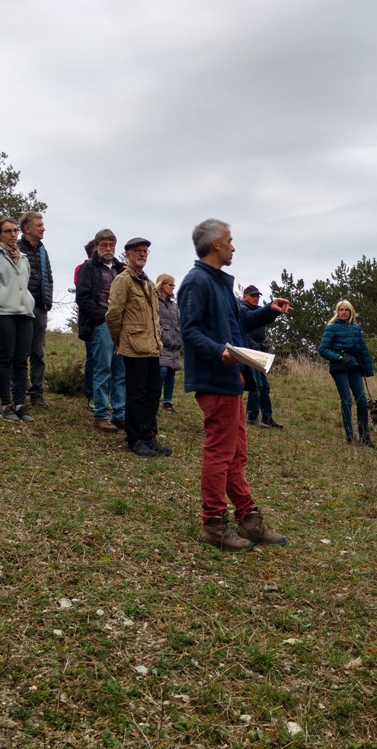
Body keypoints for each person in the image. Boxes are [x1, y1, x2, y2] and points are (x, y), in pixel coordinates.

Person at [178, 218, 291, 552]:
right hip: (215, 378)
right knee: (220, 452)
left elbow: (238, 321)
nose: (233, 246)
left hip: (232, 380)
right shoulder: (196, 282)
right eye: (229, 240)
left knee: (236, 454)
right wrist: (219, 352)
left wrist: (269, 311)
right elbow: (190, 331)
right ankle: (213, 524)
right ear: (215, 244)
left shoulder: (219, 283)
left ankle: (248, 519)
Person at [105, 237, 170, 457]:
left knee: (153, 393)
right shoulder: (123, 281)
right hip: (134, 346)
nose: (142, 254)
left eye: (145, 251)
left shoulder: (148, 283)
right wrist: (119, 340)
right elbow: (113, 314)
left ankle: (149, 437)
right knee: (137, 393)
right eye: (137, 251)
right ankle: (134, 439)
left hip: (152, 346)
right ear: (128, 255)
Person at [0, 218, 36, 423]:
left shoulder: (24, 258)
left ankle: (20, 403)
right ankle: (6, 404)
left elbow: (24, 284)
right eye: (8, 231)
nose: (13, 234)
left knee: (22, 359)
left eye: (15, 231)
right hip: (3, 313)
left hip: (24, 313)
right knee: (6, 358)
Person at [76, 229, 126, 433]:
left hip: (122, 325)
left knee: (121, 369)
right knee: (103, 368)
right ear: (96, 246)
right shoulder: (88, 268)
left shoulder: (121, 269)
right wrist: (103, 317)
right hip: (102, 324)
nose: (108, 248)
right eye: (103, 245)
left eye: (111, 245)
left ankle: (121, 414)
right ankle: (102, 415)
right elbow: (83, 298)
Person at [318, 299, 375, 445]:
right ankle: (350, 437)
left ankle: (365, 437)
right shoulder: (331, 328)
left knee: (362, 401)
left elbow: (363, 349)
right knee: (347, 401)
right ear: (337, 312)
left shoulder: (356, 328)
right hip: (339, 367)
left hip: (355, 367)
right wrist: (338, 357)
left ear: (351, 312)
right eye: (341, 310)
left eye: (346, 310)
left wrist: (368, 370)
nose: (343, 312)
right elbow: (322, 349)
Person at [17, 211, 52, 408]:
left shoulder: (42, 250)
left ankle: (37, 393)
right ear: (27, 228)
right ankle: (19, 393)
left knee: (38, 351)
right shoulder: (16, 248)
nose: (43, 228)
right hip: (21, 308)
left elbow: (48, 275)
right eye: (39, 225)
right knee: (20, 351)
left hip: (40, 307)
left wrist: (48, 299)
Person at [239, 285, 284, 429]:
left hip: (259, 351)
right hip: (250, 351)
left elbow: (267, 313)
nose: (256, 298)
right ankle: (252, 416)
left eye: (258, 296)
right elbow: (244, 332)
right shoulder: (242, 309)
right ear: (245, 296)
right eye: (253, 296)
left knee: (265, 385)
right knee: (256, 384)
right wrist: (254, 346)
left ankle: (267, 416)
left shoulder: (258, 311)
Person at [75, 239, 96, 410]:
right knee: (92, 357)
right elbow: (83, 295)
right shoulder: (81, 269)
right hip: (89, 320)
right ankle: (91, 395)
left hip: (108, 320)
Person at [156, 273, 181, 412]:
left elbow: (179, 323)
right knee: (163, 370)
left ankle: (167, 401)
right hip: (161, 343)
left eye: (173, 285)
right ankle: (155, 397)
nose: (172, 288)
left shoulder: (174, 306)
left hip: (174, 343)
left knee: (171, 372)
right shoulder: (154, 302)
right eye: (170, 284)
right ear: (162, 284)